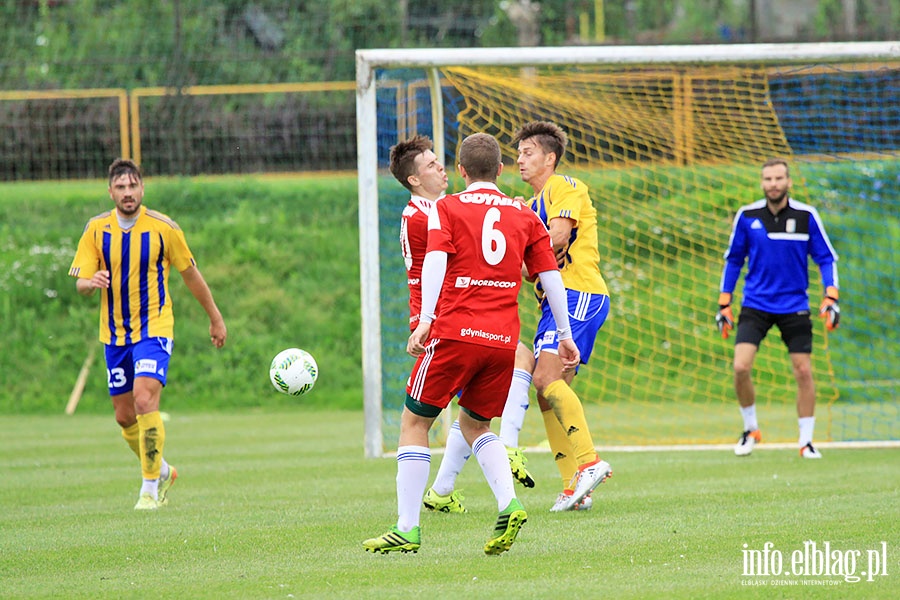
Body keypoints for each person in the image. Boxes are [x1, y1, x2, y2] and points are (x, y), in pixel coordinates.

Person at [363, 133, 580, 555]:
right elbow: (550, 275)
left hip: (455, 333)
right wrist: (566, 335)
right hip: (502, 340)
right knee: (476, 425)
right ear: (500, 170)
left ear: (461, 171)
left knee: (414, 422)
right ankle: (508, 502)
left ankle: (408, 527)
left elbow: (436, 261)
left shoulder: (446, 207)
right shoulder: (523, 212)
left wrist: (425, 319)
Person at [68, 158, 227, 510]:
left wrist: (215, 318)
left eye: (133, 186)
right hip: (114, 333)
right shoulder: (96, 230)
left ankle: (150, 490)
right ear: (110, 191)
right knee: (124, 416)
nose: (128, 193)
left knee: (144, 400)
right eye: (120, 187)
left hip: (155, 326)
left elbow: (191, 275)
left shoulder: (164, 228)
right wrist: (89, 283)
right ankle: (163, 469)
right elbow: (80, 282)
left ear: (143, 188)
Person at [506, 120, 614, 512]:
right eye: (518, 153)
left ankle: (589, 462)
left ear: (549, 158)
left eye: (528, 152)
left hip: (579, 293)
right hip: (554, 304)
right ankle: (574, 487)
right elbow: (527, 266)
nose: (519, 159)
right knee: (547, 393)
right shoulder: (530, 206)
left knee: (544, 377)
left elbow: (557, 238)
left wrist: (520, 253)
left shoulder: (563, 186)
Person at [717, 158, 839, 459]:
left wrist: (831, 296)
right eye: (768, 179)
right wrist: (724, 302)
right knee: (740, 366)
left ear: (788, 182)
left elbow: (826, 258)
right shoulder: (747, 216)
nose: (773, 184)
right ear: (762, 183)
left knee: (803, 371)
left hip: (794, 305)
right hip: (755, 304)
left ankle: (806, 441)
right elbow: (734, 259)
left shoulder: (806, 215)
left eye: (778, 178)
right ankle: (751, 429)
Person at [388, 136, 471, 514]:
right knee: (422, 418)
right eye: (432, 165)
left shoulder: (436, 210)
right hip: (440, 322)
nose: (442, 167)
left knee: (473, 410)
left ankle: (442, 488)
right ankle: (419, 507)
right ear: (415, 181)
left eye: (440, 161)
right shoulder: (422, 217)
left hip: (451, 317)